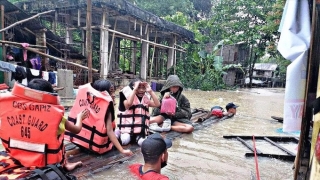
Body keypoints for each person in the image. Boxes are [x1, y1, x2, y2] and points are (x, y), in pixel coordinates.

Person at [0, 79, 87, 171]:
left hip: (16, 156)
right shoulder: (56, 116)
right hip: (46, 163)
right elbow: (77, 129)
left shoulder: (10, 108)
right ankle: (66, 164)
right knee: (59, 135)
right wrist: (80, 117)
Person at [64, 79, 133, 156]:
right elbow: (109, 131)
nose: (113, 95)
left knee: (117, 132)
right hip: (97, 148)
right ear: (103, 92)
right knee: (120, 135)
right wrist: (122, 150)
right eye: (111, 92)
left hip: (80, 143)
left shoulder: (86, 99)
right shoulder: (107, 108)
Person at [117, 78, 160, 146]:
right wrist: (135, 89)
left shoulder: (145, 99)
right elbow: (128, 105)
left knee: (143, 143)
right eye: (138, 87)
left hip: (140, 131)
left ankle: (137, 138)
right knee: (125, 141)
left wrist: (150, 91)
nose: (141, 90)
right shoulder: (125, 96)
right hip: (127, 130)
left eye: (143, 88)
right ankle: (118, 132)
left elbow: (157, 104)